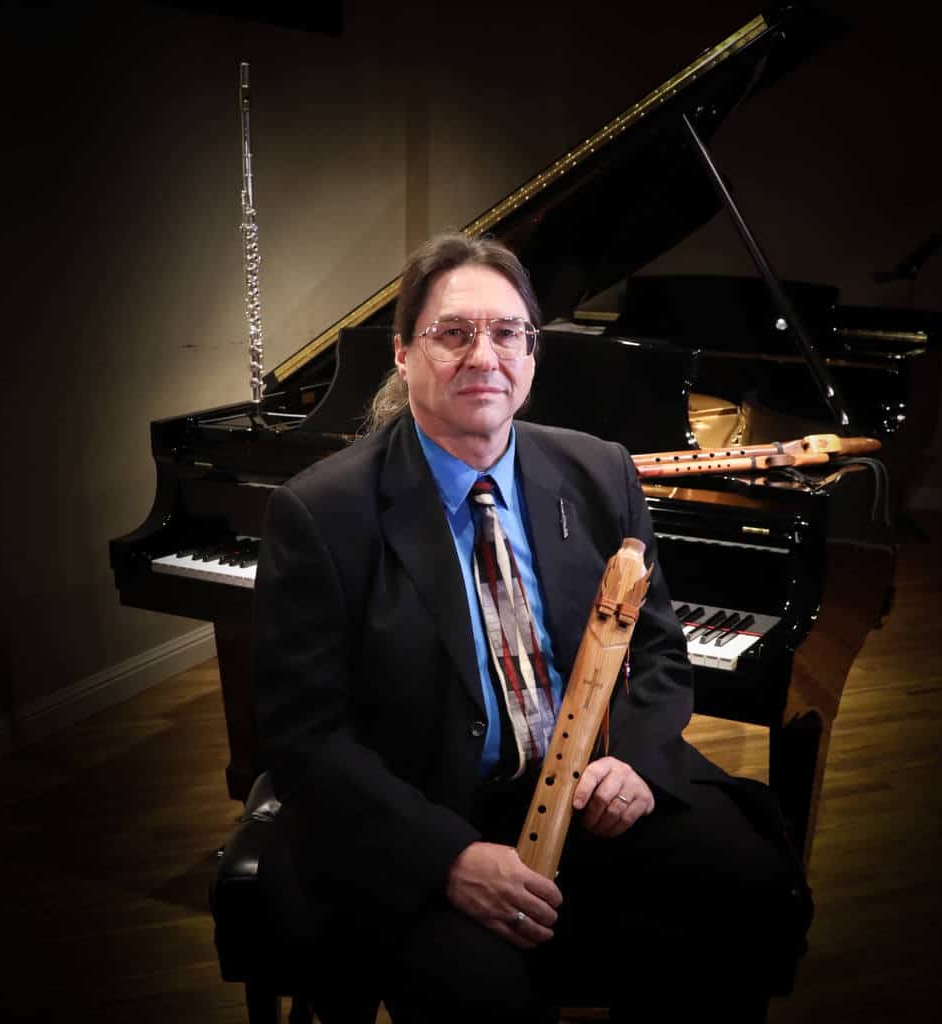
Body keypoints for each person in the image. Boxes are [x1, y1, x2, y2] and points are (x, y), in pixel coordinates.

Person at [252, 233, 813, 1022]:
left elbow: (655, 649)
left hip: (590, 791)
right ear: (405, 353)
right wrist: (446, 857)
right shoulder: (320, 512)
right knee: (479, 991)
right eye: (453, 332)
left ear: (533, 355)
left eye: (508, 332)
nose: (485, 355)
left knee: (752, 890)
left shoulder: (600, 471)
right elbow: (304, 736)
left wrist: (640, 766)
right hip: (433, 808)